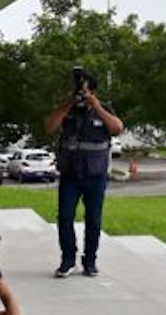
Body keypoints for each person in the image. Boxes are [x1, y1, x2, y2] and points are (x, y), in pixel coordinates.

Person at [45, 68, 124, 278]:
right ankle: (67, 259)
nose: (81, 93)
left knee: (94, 220)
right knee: (65, 217)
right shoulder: (68, 110)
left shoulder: (103, 108)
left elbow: (117, 128)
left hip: (95, 176)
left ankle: (90, 261)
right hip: (71, 174)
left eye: (85, 89)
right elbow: (49, 127)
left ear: (94, 91)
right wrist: (68, 104)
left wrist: (95, 106)